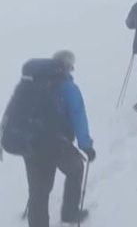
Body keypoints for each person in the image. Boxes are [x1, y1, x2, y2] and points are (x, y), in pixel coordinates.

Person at [2, 51, 96, 227]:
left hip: (27, 142)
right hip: (54, 143)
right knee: (76, 168)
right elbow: (78, 116)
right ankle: (69, 212)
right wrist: (86, 146)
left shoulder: (28, 83)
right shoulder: (67, 87)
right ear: (67, 66)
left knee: (39, 189)